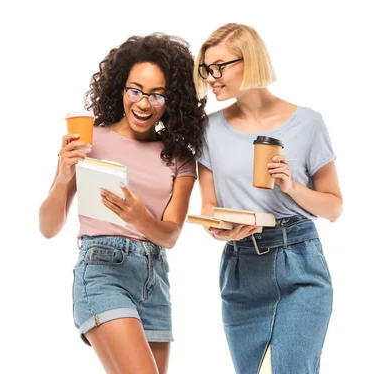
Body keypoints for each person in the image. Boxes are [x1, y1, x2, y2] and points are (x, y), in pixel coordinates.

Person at [39, 33, 205, 374]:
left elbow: (170, 235)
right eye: (136, 90)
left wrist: (138, 215)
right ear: (120, 89)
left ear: (171, 101)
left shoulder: (180, 160)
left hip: (155, 280)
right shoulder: (89, 140)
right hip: (102, 272)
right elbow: (48, 227)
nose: (144, 104)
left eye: (158, 95)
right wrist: (62, 176)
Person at [193, 23, 343, 374]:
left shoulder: (308, 123)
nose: (212, 77)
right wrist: (220, 229)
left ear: (250, 60)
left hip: (300, 262)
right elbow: (209, 208)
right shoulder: (208, 130)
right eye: (206, 69)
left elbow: (334, 207)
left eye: (219, 67)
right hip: (242, 268)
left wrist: (291, 186)